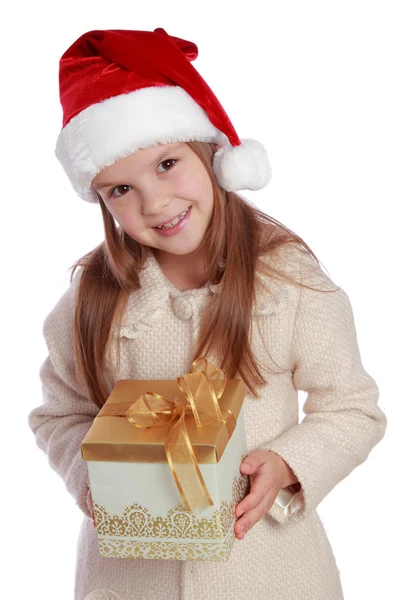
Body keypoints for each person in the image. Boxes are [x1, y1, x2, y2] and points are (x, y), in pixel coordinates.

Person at [27, 28, 387, 600]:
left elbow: (352, 408)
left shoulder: (287, 284)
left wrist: (288, 462)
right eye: (120, 188)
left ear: (211, 152)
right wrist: (88, 475)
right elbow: (60, 415)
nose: (154, 202)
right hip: (128, 579)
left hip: (271, 573)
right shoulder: (92, 300)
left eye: (167, 164)